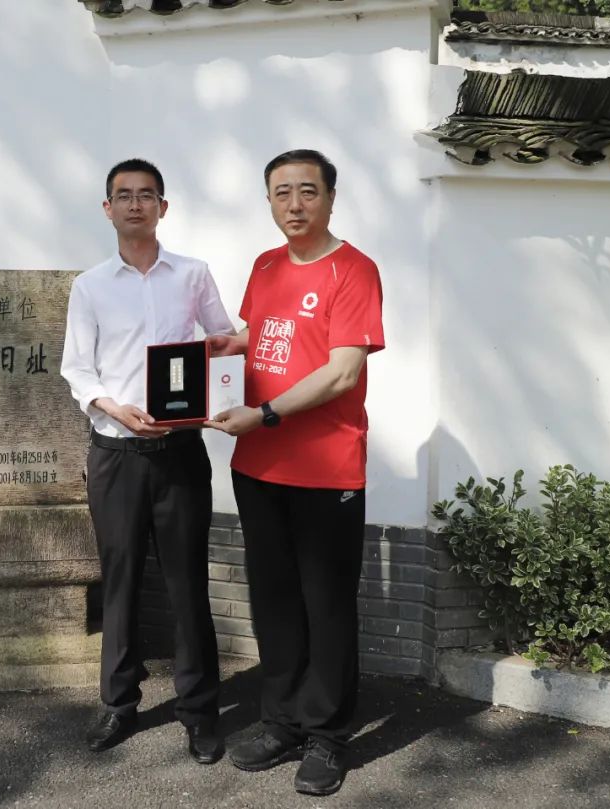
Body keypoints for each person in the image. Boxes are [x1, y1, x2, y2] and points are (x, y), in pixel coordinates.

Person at [205, 149, 384, 796]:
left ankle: (328, 735)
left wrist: (265, 413)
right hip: (259, 466)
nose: (295, 204)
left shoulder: (354, 270)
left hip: (326, 469)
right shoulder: (265, 265)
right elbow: (262, 333)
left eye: (308, 191)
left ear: (331, 197)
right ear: (269, 202)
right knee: (274, 598)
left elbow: (342, 371)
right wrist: (227, 346)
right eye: (281, 193)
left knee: (326, 604)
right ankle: (281, 719)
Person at [61, 158, 234, 764]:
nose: (135, 204)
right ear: (107, 208)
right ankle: (118, 703)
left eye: (146, 195)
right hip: (116, 454)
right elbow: (78, 368)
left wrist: (215, 393)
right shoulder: (90, 286)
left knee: (188, 583)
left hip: (180, 452)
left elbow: (223, 341)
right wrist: (114, 407)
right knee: (122, 580)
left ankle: (200, 711)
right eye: (124, 195)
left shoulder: (192, 275)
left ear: (164, 206)